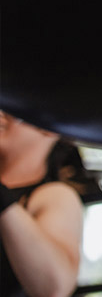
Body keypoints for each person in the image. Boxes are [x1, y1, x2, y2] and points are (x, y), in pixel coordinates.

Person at [0, 111, 85, 297]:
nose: (1, 115)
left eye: (12, 111)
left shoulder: (54, 196)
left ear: (48, 130)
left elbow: (54, 289)